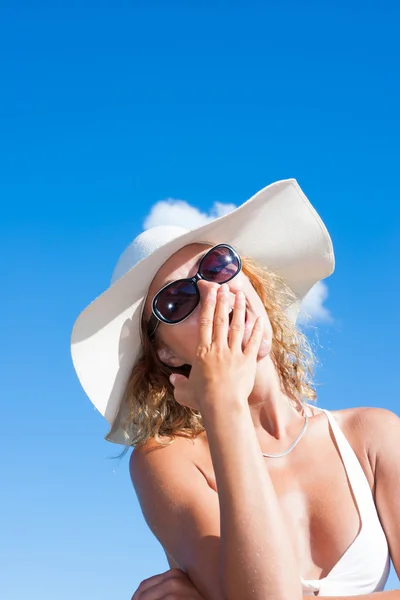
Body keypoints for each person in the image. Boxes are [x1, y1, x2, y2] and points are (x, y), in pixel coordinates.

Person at [71, 179, 400, 600]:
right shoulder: (166, 459)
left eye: (218, 265)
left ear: (253, 285)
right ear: (167, 355)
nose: (213, 290)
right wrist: (223, 404)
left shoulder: (371, 436)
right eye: (177, 300)